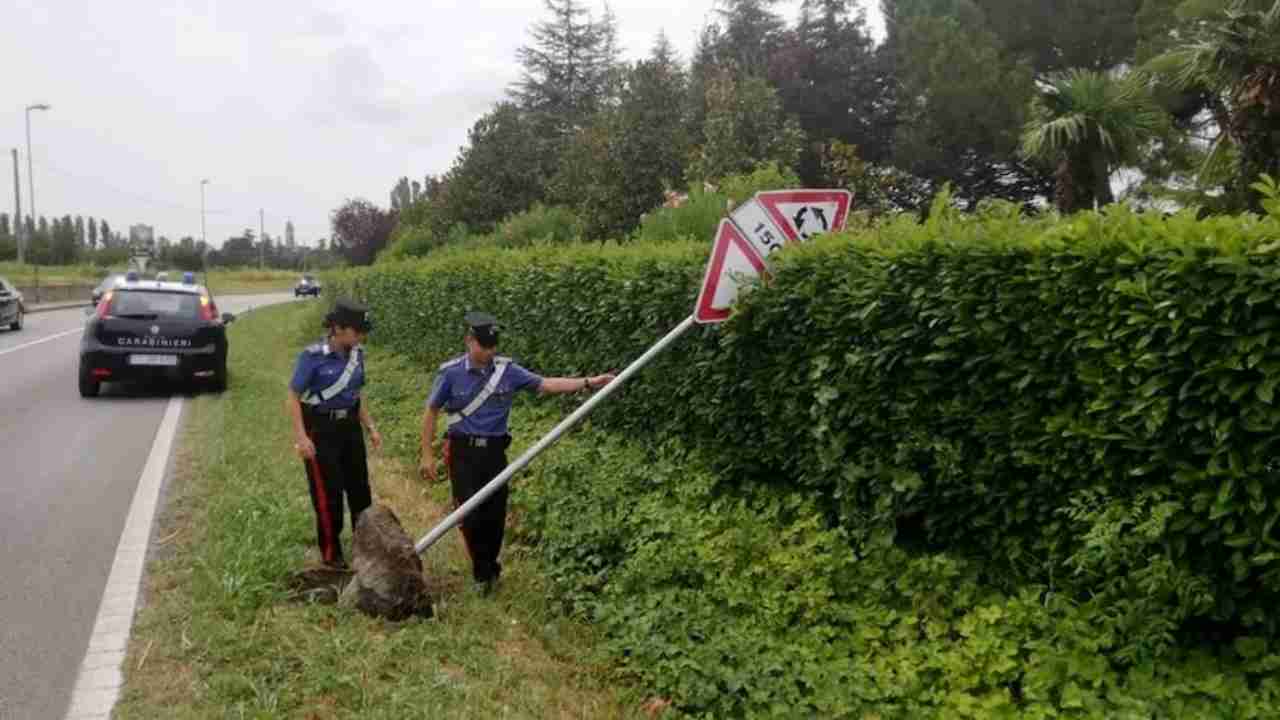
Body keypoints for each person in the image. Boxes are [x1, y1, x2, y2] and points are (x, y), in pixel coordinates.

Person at [419, 311, 616, 594]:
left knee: (495, 515)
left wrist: (588, 382)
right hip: (462, 452)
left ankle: (488, 568)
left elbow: (546, 384)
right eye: (483, 345)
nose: (488, 352)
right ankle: (483, 573)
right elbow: (431, 411)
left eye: (492, 346)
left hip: (495, 453)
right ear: (469, 341)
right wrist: (427, 454)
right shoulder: (450, 373)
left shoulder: (507, 371)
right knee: (469, 513)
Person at [286, 298, 383, 569]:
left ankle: (366, 548)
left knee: (360, 490)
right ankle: (332, 555)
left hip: (350, 427)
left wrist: (370, 426)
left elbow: (356, 395)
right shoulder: (312, 356)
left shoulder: (357, 355)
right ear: (338, 328)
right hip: (320, 429)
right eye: (356, 331)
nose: (361, 336)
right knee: (328, 495)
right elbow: (293, 397)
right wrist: (301, 437)